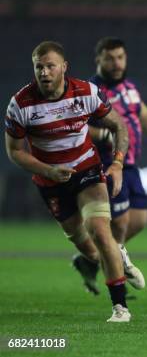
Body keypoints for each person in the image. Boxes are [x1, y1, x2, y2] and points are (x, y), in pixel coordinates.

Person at [4, 41, 132, 322]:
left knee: (99, 230)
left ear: (64, 67)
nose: (45, 72)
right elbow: (14, 152)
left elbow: (119, 125)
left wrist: (118, 164)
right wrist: (48, 170)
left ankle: (120, 307)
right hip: (50, 181)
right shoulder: (21, 104)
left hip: (87, 169)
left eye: (50, 66)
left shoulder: (86, 93)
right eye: (39, 66)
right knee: (87, 248)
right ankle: (116, 257)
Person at [71, 37, 147, 294]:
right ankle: (116, 276)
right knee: (120, 223)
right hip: (107, 161)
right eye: (110, 58)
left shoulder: (129, 86)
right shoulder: (91, 89)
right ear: (99, 60)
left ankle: (91, 259)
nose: (116, 63)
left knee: (139, 219)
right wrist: (102, 135)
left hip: (131, 162)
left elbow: (143, 112)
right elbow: (77, 123)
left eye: (120, 57)